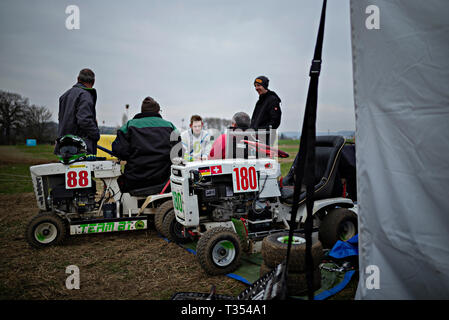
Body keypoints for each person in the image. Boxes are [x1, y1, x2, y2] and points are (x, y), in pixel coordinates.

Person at [112, 97, 177, 192]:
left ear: (142, 111)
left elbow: (119, 151)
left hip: (134, 182)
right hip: (163, 182)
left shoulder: (129, 126)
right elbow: (178, 155)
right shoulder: (170, 127)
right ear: (158, 111)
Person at [55, 68, 100, 155]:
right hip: (80, 148)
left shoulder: (64, 96)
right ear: (93, 82)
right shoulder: (85, 95)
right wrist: (96, 134)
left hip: (63, 147)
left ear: (78, 79)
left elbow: (61, 119)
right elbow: (84, 120)